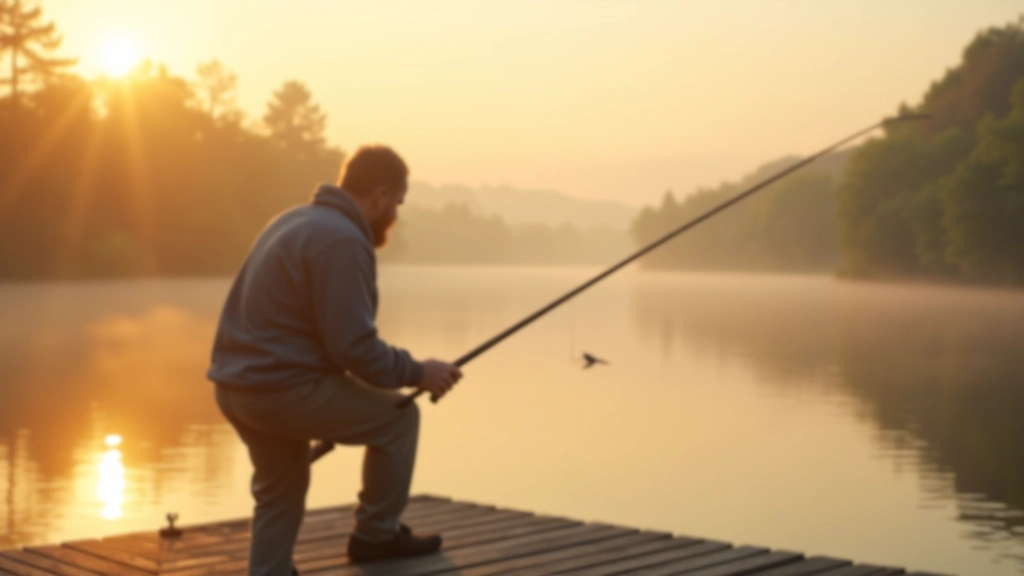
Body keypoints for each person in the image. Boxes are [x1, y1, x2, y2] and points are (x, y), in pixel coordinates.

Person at [207, 145, 462, 576]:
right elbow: (354, 348)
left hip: (235, 389)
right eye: (398, 204)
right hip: (280, 392)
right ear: (380, 195)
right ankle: (375, 536)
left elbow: (321, 340)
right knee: (398, 419)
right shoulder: (342, 239)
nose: (395, 217)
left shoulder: (292, 220)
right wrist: (419, 371)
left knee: (279, 491)